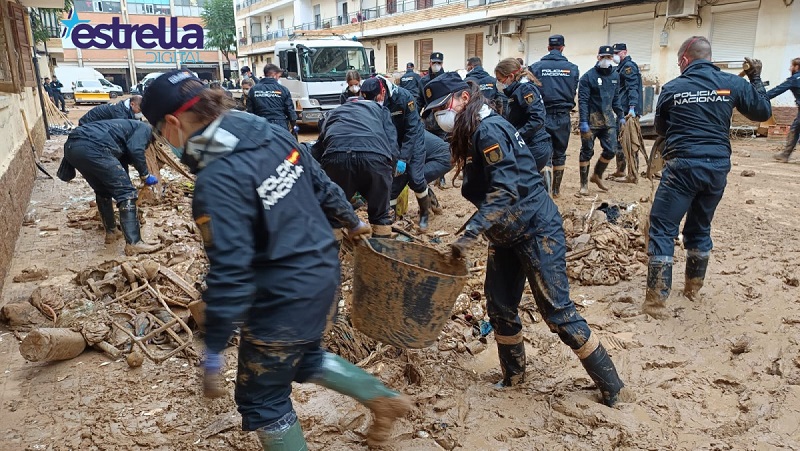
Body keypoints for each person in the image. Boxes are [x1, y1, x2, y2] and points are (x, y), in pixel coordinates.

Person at [140, 69, 411, 450]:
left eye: (161, 134)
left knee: (261, 398)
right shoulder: (259, 128)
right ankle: (382, 399)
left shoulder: (215, 181)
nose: (166, 142)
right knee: (298, 357)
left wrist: (214, 347)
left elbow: (230, 271)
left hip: (281, 294)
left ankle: (379, 400)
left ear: (172, 122)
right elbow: (316, 177)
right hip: (321, 271)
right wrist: (350, 220)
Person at [422, 72, 628, 407]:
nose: (440, 117)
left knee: (558, 313)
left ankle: (613, 385)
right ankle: (513, 376)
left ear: (462, 98)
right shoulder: (475, 130)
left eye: (442, 107)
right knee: (500, 306)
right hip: (505, 232)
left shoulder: (489, 131)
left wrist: (472, 232)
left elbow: (505, 189)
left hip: (535, 228)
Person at [643, 37, 771, 319]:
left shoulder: (673, 88)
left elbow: (661, 126)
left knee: (663, 229)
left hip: (682, 169)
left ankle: (655, 303)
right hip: (716, 169)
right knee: (700, 229)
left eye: (679, 62)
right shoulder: (732, 84)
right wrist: (756, 78)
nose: (679, 67)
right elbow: (763, 111)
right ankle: (693, 290)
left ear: (685, 60)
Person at [56, 119, 160, 254]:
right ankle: (134, 243)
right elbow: (136, 149)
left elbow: (121, 167)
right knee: (127, 193)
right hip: (94, 148)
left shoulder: (122, 130)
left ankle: (111, 232)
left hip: (73, 148)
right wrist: (145, 175)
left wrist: (125, 181)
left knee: (103, 190)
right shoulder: (144, 128)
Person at [312, 96, 398, 238]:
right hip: (375, 157)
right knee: (381, 214)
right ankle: (379, 252)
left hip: (337, 157)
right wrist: (388, 174)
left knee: (333, 214)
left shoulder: (333, 113)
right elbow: (392, 143)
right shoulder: (379, 109)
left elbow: (319, 148)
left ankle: (334, 255)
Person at [361, 76, 437, 230]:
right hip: (391, 142)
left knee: (416, 178)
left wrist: (403, 158)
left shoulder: (403, 97)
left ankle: (424, 213)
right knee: (392, 182)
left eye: (376, 99)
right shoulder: (369, 102)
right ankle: (392, 216)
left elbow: (412, 129)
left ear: (383, 91)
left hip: (412, 139)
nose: (375, 103)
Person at [530, 35, 580, 197]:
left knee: (545, 153)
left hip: (543, 116)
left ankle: (546, 191)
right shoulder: (572, 68)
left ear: (548, 48)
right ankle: (556, 190)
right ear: (562, 48)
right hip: (563, 116)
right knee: (560, 153)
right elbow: (573, 91)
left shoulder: (536, 68)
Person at [495, 58, 553, 193]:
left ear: (510, 76)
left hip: (535, 145)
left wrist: (517, 135)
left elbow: (537, 118)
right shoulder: (517, 91)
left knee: (522, 185)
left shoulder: (525, 89)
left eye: (500, 79)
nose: (499, 83)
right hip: (528, 144)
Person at [577, 45, 623, 195]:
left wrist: (621, 115)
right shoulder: (587, 77)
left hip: (608, 120)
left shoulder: (616, 76)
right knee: (587, 151)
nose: (606, 60)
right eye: (603, 57)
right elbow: (583, 101)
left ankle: (597, 175)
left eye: (609, 57)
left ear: (613, 59)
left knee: (611, 150)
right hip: (591, 120)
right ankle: (584, 184)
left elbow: (616, 98)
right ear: (598, 57)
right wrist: (583, 121)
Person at [610, 43, 643, 178]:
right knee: (620, 140)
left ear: (624, 52)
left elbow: (632, 88)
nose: (615, 56)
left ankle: (633, 173)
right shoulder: (620, 68)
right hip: (621, 110)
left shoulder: (629, 67)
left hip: (628, 111)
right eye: (614, 54)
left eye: (618, 53)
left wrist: (632, 107)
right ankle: (621, 170)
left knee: (630, 141)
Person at [248, 64, 297, 132]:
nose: (278, 78)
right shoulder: (283, 89)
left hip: (260, 125)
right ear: (274, 74)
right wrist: (294, 126)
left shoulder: (253, 90)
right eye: (278, 76)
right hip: (280, 125)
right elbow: (290, 110)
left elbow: (250, 112)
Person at [770, 57, 800, 162]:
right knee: (795, 129)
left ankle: (785, 154)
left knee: (795, 129)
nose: (789, 68)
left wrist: (761, 97)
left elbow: (776, 91)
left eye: (792, 66)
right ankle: (785, 154)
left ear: (796, 67)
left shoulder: (794, 79)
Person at [79, 95, 143, 125]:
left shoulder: (127, 108)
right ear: (132, 104)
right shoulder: (119, 113)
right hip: (87, 123)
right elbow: (120, 129)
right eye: (139, 110)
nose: (140, 112)